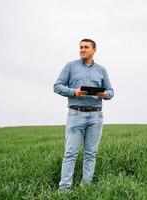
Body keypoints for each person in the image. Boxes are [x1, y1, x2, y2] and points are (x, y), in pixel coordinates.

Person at [53, 38, 114, 190]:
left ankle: (85, 187)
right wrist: (74, 92)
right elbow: (57, 86)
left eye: (86, 47)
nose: (82, 49)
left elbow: (111, 92)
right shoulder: (70, 67)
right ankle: (64, 189)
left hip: (96, 116)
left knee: (90, 154)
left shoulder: (101, 70)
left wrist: (103, 94)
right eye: (80, 47)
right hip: (75, 115)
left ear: (94, 50)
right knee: (70, 153)